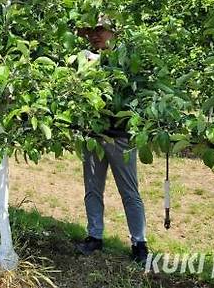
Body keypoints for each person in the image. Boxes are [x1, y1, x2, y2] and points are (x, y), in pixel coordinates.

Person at [75, 16, 149, 263]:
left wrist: (98, 62)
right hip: (94, 136)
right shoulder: (85, 59)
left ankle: (139, 243)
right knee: (92, 189)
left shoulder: (125, 57)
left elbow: (126, 75)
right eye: (91, 32)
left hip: (121, 137)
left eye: (100, 30)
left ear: (114, 32)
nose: (95, 35)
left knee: (129, 191)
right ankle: (94, 236)